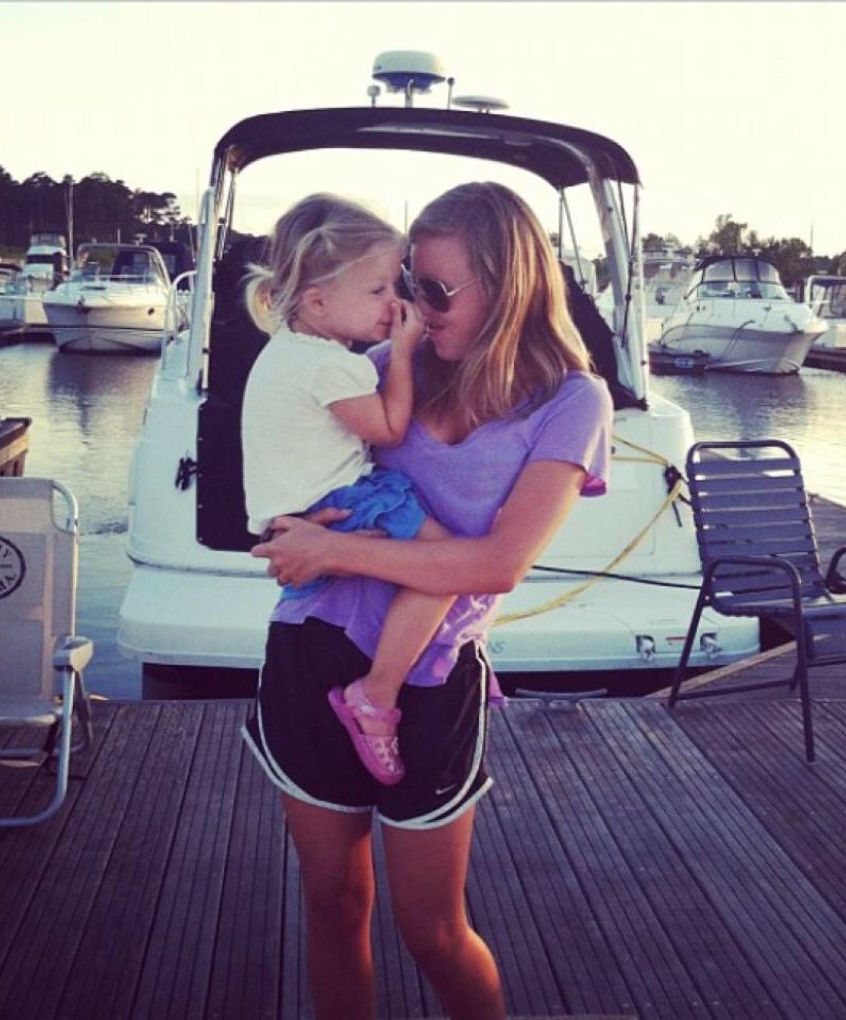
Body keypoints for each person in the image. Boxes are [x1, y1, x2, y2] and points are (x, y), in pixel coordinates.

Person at [243, 181, 614, 1020]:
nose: (413, 307)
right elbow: (290, 462)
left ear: (507, 284)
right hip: (312, 650)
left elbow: (499, 563)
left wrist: (332, 549)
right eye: (409, 283)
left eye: (437, 290)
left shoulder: (571, 402)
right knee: (334, 905)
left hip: (429, 679)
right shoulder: (384, 368)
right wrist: (288, 529)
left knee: (433, 931)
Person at [241, 193, 457, 786]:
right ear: (317, 301)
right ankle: (376, 695)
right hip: (342, 501)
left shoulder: (286, 351)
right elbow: (389, 428)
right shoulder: (331, 365)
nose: (395, 303)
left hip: (299, 508)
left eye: (396, 285)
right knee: (445, 564)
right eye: (378, 290)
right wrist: (405, 353)